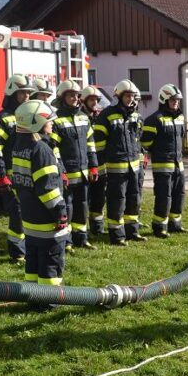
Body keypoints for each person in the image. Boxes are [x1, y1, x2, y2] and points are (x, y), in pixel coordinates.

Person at [11, 100, 68, 303]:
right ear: (36, 123)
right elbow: (48, 189)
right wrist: (60, 213)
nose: (52, 124)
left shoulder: (19, 146)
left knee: (33, 261)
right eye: (49, 121)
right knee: (50, 262)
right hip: (47, 220)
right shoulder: (41, 150)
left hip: (29, 217)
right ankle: (49, 300)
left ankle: (32, 296)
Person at [0, 74, 34, 264]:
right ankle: (17, 252)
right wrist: (1, 174)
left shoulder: (29, 115)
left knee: (30, 211)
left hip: (30, 173)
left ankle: (28, 247)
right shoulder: (2, 119)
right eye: (22, 93)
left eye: (28, 93)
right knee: (17, 213)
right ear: (12, 94)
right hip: (11, 175)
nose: (27, 97)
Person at [94, 79, 146, 246]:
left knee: (134, 199)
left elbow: (139, 140)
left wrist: (142, 157)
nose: (130, 99)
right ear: (119, 96)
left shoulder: (136, 116)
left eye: (132, 96)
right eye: (127, 96)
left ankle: (132, 231)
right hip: (115, 168)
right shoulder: (106, 115)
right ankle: (117, 236)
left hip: (134, 167)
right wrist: (101, 167)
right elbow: (99, 145)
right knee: (117, 201)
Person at [51, 80, 98, 251]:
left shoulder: (84, 117)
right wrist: (61, 171)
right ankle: (67, 241)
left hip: (84, 172)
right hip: (67, 174)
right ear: (62, 98)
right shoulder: (56, 120)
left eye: (77, 96)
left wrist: (94, 166)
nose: (75, 98)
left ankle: (82, 238)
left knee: (82, 205)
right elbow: (53, 149)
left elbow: (91, 144)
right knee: (68, 207)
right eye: (71, 95)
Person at [142, 84, 188, 238]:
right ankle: (159, 227)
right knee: (164, 197)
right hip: (162, 166)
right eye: (173, 99)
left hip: (178, 165)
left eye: (177, 100)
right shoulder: (154, 120)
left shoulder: (180, 117)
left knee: (179, 195)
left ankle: (175, 224)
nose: (176, 102)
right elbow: (146, 143)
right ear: (164, 99)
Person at [80, 85, 111, 235]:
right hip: (84, 165)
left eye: (96, 100)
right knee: (84, 199)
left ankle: (97, 228)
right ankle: (80, 229)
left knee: (99, 198)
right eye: (91, 100)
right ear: (84, 101)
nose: (94, 103)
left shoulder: (99, 117)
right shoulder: (79, 117)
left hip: (100, 164)